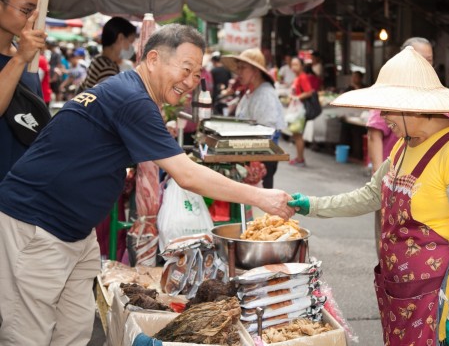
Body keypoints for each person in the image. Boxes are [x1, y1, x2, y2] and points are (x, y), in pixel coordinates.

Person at [0, 24, 294, 345]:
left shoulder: (129, 90)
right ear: (153, 59)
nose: (191, 82)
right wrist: (262, 197)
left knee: (73, 329)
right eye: (185, 69)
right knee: (27, 333)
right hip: (36, 224)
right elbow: (188, 175)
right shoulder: (132, 98)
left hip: (74, 231)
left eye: (197, 74)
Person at [288, 46, 449, 346]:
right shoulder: (403, 145)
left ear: (415, 106)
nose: (382, 116)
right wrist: (312, 206)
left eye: (389, 107)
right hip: (398, 291)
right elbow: (371, 195)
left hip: (435, 298)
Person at [368, 37, 433, 255]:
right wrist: (379, 175)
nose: (426, 66)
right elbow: (374, 134)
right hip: (393, 177)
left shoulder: (437, 96)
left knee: (417, 246)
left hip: (426, 186)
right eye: (421, 60)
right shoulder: (389, 93)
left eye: (429, 61)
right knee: (387, 241)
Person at [0, 0, 46, 180]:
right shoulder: (23, 57)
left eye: (36, 13)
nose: (32, 20)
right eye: (26, 10)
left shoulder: (27, 57)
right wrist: (19, 59)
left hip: (19, 190)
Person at [222, 48, 286, 188]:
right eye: (238, 68)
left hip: (261, 158)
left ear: (256, 71)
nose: (239, 72)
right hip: (248, 154)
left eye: (243, 68)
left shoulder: (265, 95)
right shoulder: (250, 91)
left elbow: (267, 132)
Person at [77, 16, 137, 92]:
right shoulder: (107, 69)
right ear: (120, 38)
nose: (132, 47)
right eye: (131, 42)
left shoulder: (98, 60)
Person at [288, 56, 315, 167]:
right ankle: (299, 158)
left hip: (300, 110)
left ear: (302, 66)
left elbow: (309, 92)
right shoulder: (297, 78)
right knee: (296, 134)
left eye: (296, 65)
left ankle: (300, 159)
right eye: (292, 64)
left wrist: (297, 98)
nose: (293, 67)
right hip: (296, 109)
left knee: (298, 135)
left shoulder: (303, 77)